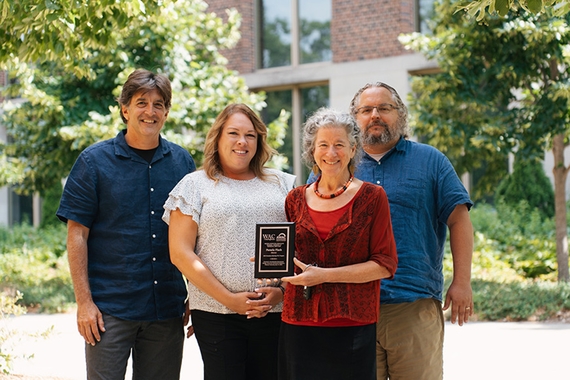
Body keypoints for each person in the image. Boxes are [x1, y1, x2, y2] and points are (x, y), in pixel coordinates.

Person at [56, 68, 196, 380]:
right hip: (109, 311)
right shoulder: (93, 162)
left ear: (167, 112)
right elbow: (76, 235)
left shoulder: (182, 163)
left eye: (158, 104)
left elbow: (195, 234)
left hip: (166, 310)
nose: (150, 111)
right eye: (141, 102)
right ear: (125, 109)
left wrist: (196, 296)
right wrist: (84, 303)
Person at [347, 82, 475, 380]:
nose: (375, 115)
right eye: (366, 110)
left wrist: (462, 281)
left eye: (384, 108)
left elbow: (459, 220)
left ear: (400, 115)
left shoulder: (431, 161)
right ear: (354, 117)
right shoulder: (338, 163)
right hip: (353, 309)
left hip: (414, 305)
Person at [162, 103, 296, 380]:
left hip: (275, 311)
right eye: (233, 133)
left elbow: (301, 244)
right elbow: (180, 252)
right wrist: (229, 300)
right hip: (216, 313)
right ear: (218, 138)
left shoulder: (283, 184)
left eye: (250, 135)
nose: (242, 142)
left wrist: (282, 292)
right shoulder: (194, 185)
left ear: (259, 141)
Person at [279, 108, 398, 380]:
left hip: (352, 325)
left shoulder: (372, 197)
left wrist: (325, 277)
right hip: (298, 322)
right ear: (312, 150)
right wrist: (272, 269)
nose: (331, 153)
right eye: (323, 145)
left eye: (339, 145)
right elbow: (290, 262)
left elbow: (385, 264)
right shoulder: (294, 200)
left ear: (353, 148)